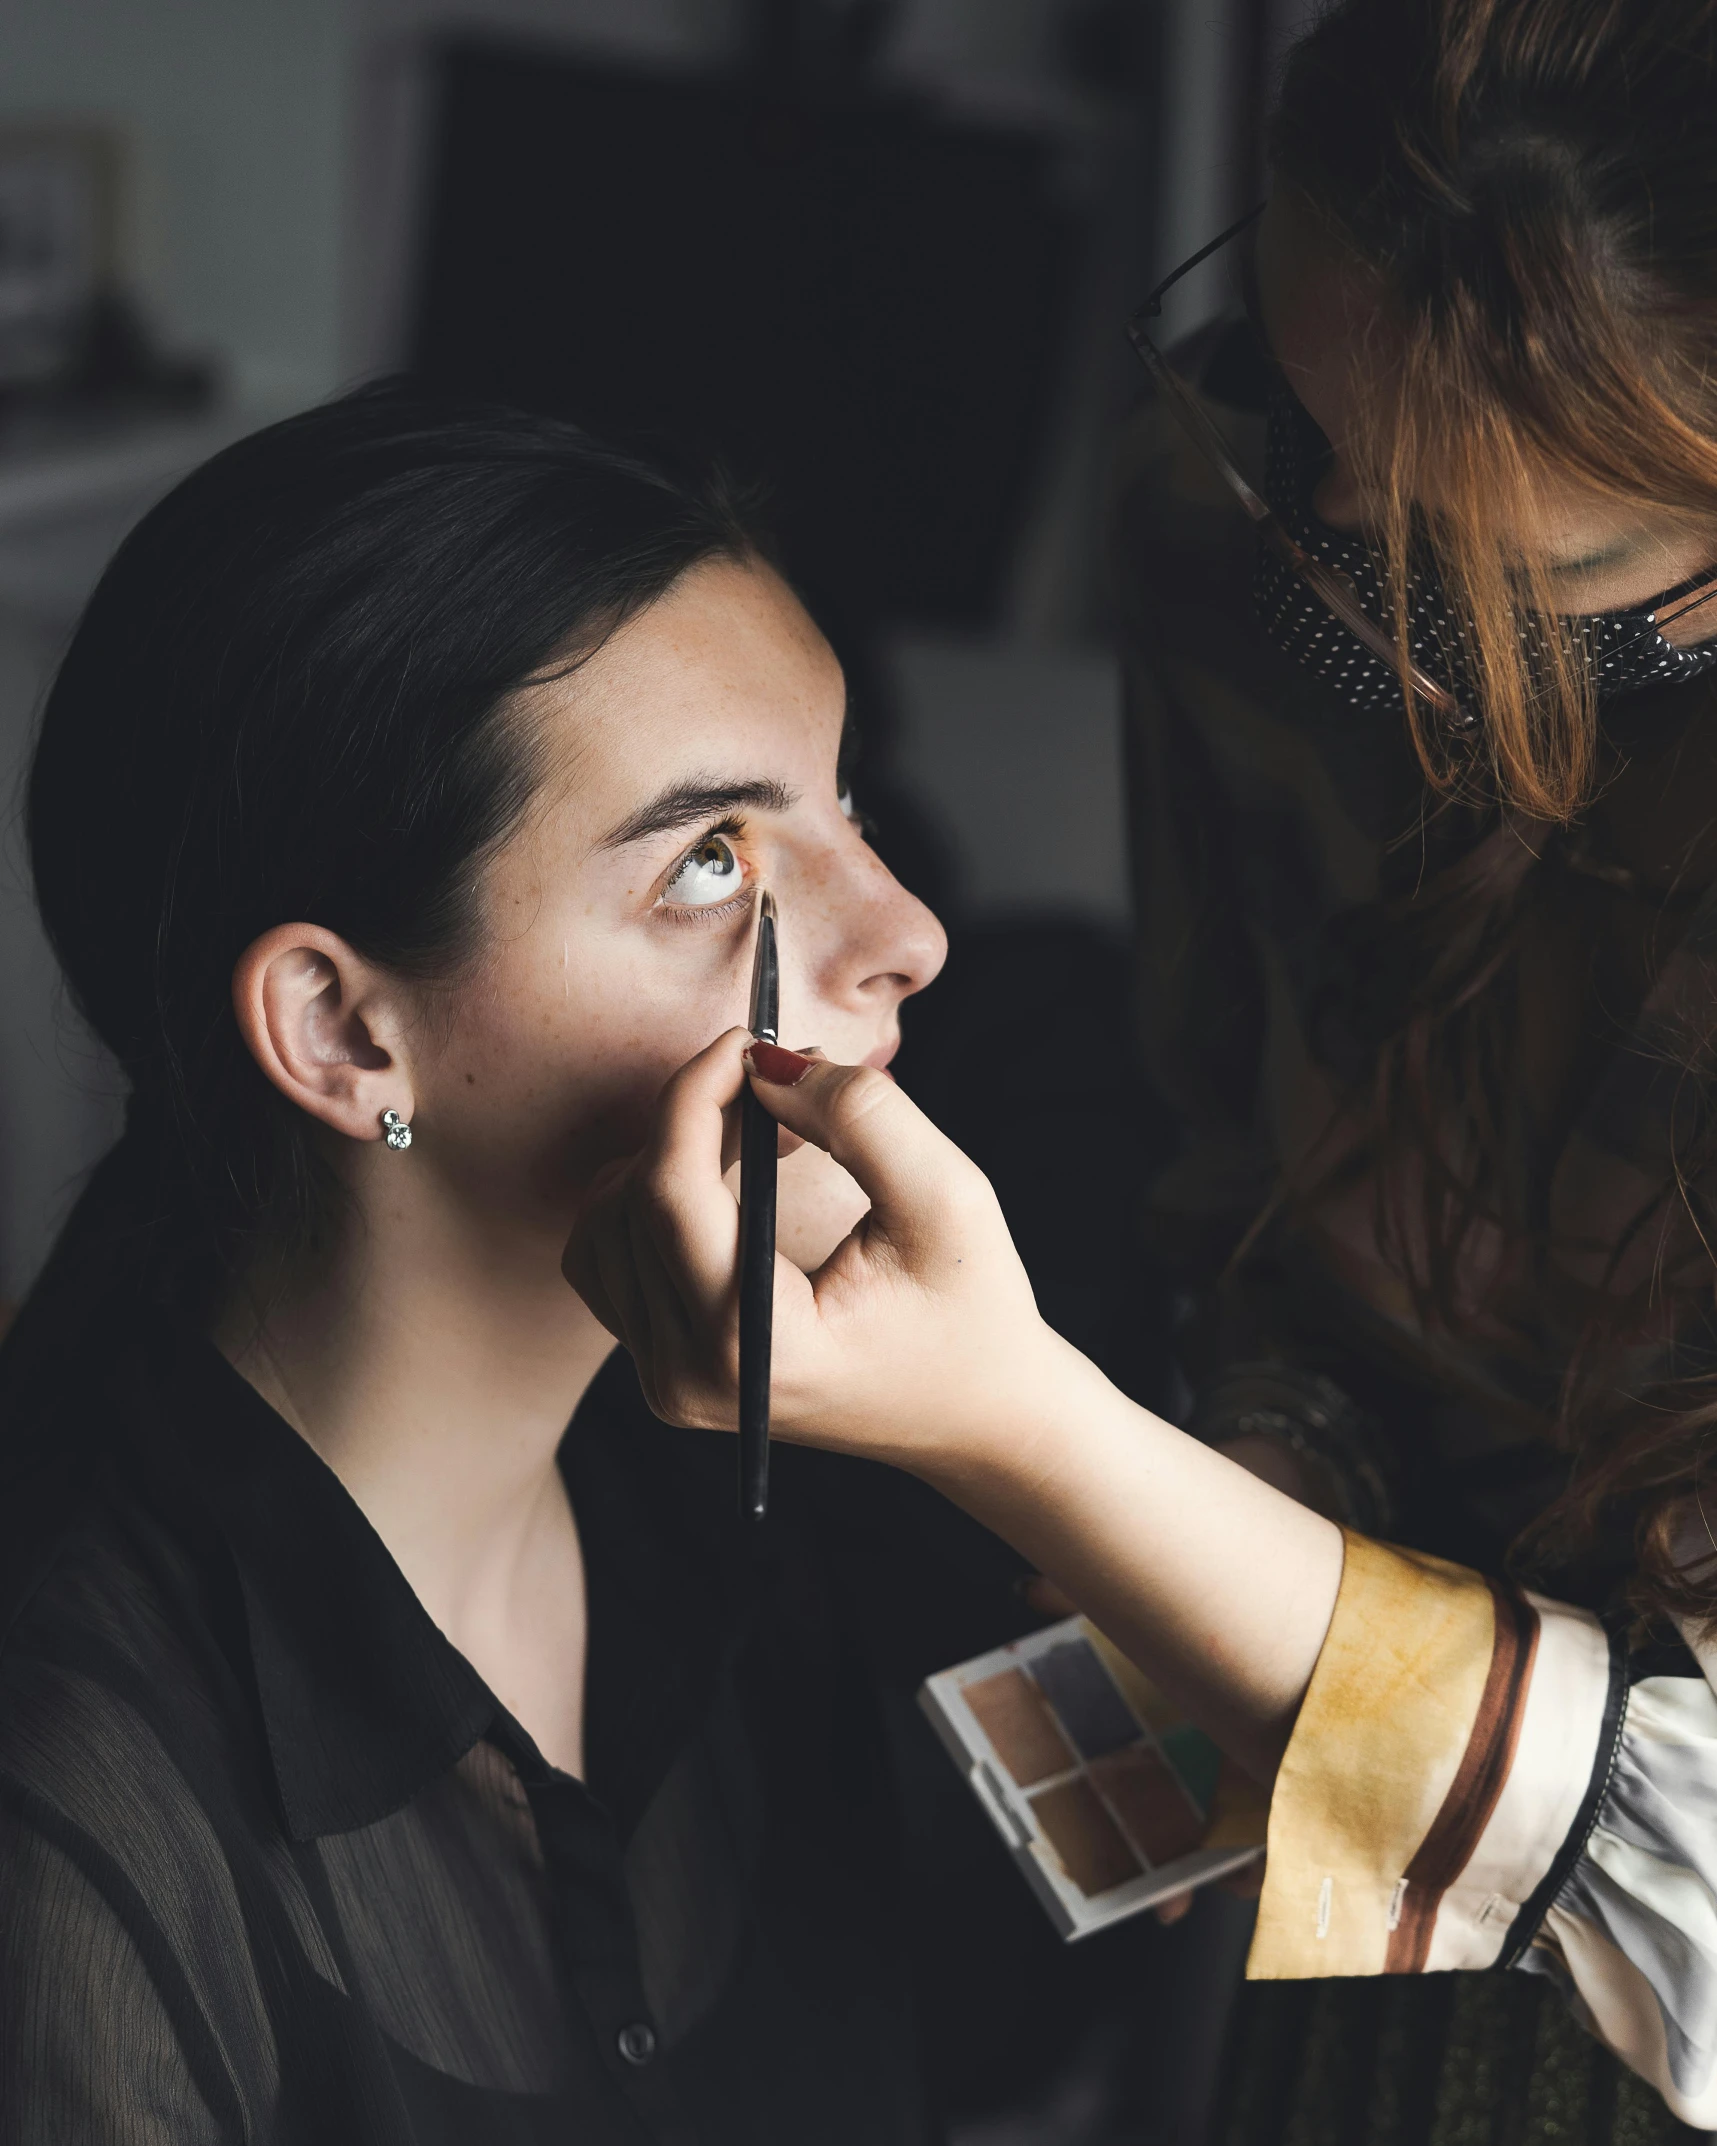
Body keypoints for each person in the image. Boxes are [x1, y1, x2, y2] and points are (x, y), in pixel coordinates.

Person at [564, 1, 1717, 2140]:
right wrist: (1244, 1479)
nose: (1357, 608)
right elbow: (1253, 1157)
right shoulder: (1230, 510)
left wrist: (1041, 1443)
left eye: (1524, 587)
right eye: (1302, 420)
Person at [0, 383, 1039, 2145]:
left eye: (840, 804)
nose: (908, 932)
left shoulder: (760, 1488)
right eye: (715, 861)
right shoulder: (80, 1827)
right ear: (343, 1033)